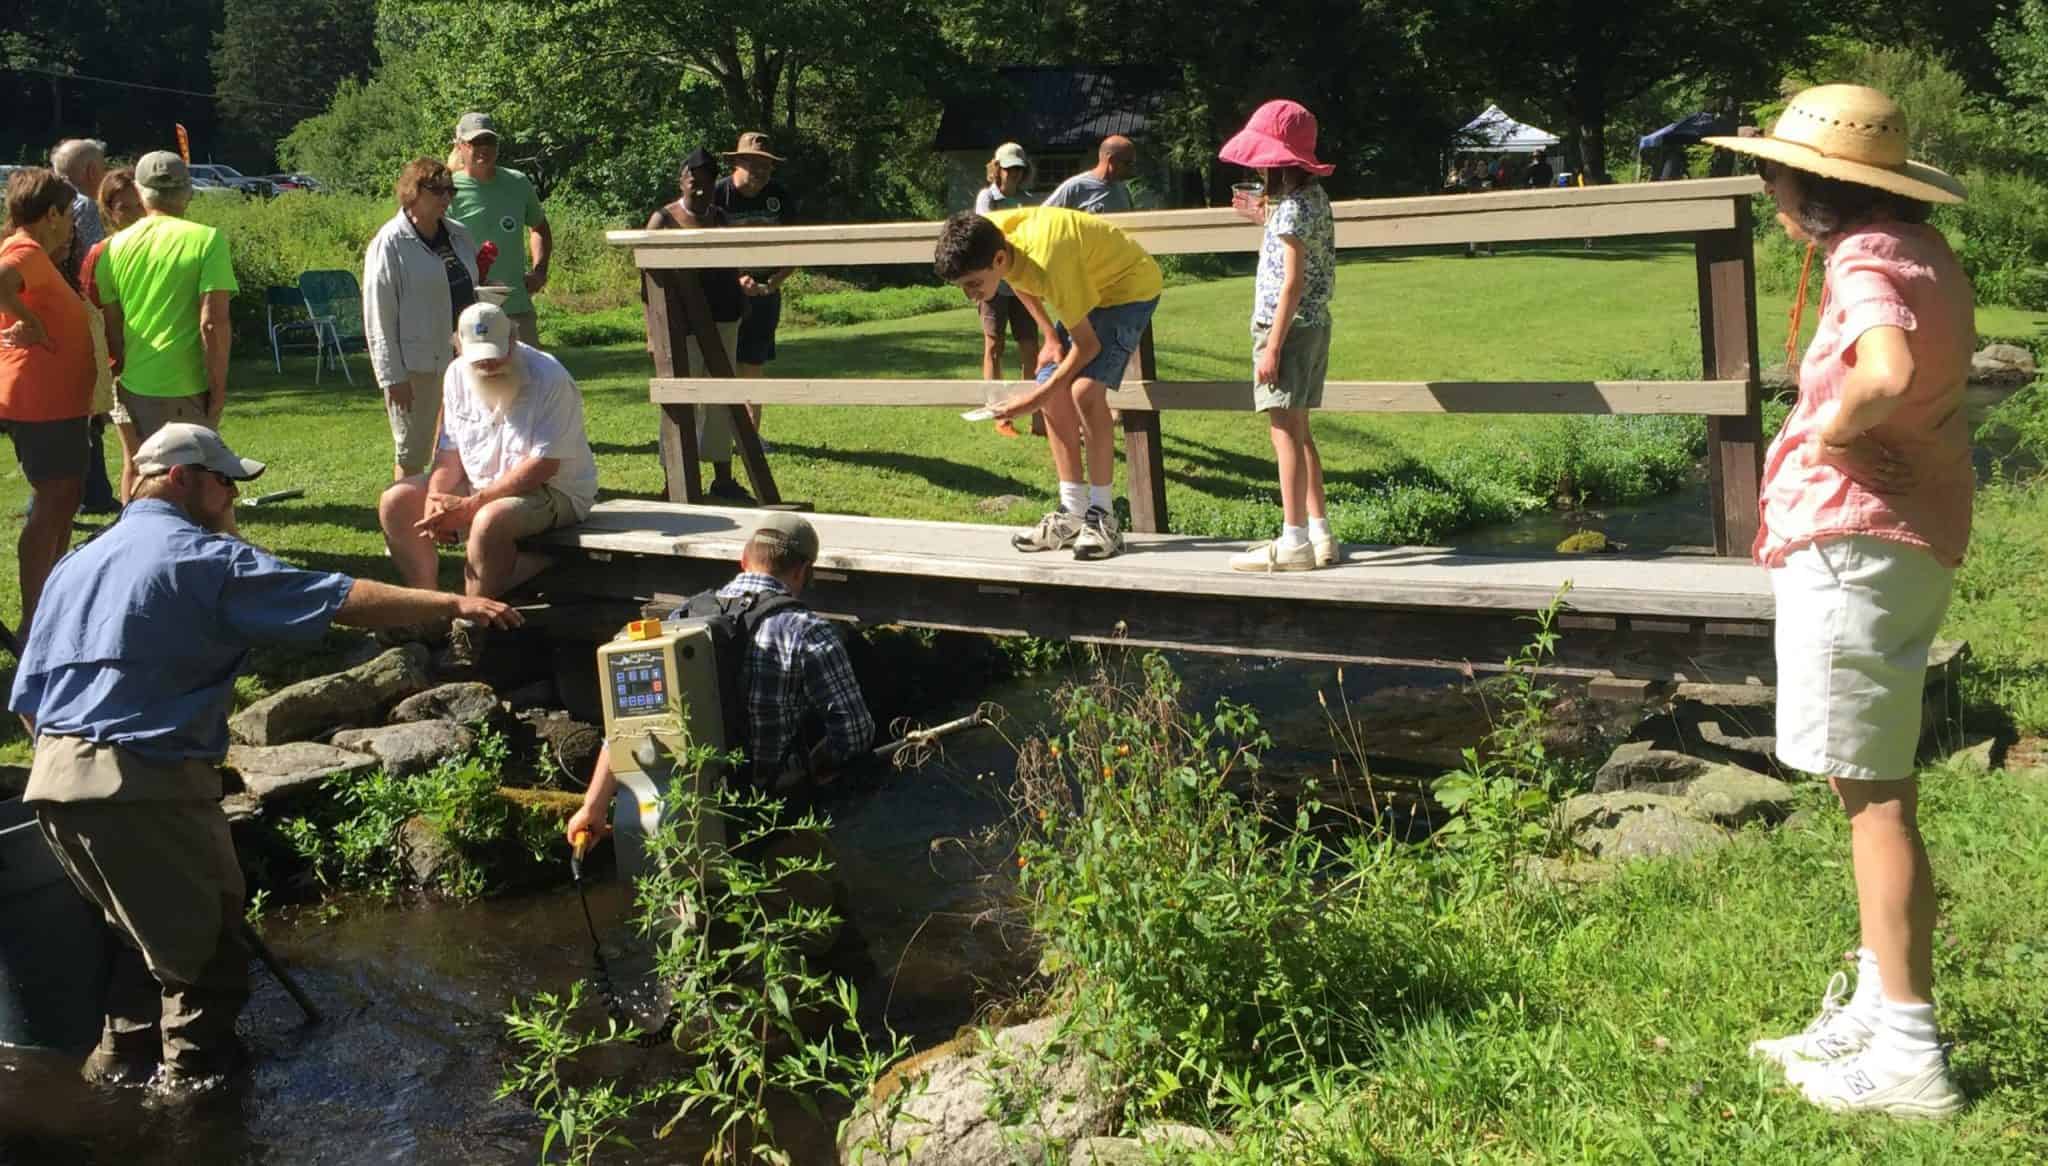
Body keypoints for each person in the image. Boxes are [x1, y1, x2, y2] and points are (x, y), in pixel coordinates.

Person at [9, 423, 522, 1095]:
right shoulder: (201, 557)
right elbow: (340, 599)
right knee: (206, 972)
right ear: (180, 478)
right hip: (142, 787)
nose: (231, 498)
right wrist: (455, 599)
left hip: (56, 788)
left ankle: (113, 1099)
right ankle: (197, 1119)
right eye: (225, 482)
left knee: (139, 952)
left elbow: (28, 698)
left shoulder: (75, 565)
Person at [1705, 84, 1974, 1119]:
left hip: (1852, 545)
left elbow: (1885, 367)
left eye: (1773, 173)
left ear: (1806, 185)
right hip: (1905, 542)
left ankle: (1907, 1049)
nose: (1768, 190)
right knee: (1869, 788)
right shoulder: (1924, 254)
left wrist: (1826, 434)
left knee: (1872, 796)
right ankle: (1874, 1003)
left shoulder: (1861, 259)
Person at [563, 511, 875, 845]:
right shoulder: (807, 631)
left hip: (685, 811)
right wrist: (820, 762)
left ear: (743, 560)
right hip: (772, 815)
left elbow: (629, 724)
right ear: (803, 572)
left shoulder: (680, 620)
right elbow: (855, 732)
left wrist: (593, 808)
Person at [934, 206, 1162, 561]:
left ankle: (1103, 519)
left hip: (1128, 288)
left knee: (1084, 391)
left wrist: (1029, 402)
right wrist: (1049, 338)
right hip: (1086, 289)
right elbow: (1019, 281)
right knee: (1052, 389)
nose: (972, 296)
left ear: (996, 258)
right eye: (964, 288)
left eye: (973, 284)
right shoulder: (996, 238)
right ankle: (1071, 511)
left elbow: (1088, 346)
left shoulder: (1048, 258)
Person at [378, 302, 597, 604]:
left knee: (488, 519)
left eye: (496, 356)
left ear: (513, 339)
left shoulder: (550, 376)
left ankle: (470, 625)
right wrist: (435, 499)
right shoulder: (455, 374)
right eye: (479, 361)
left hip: (554, 490)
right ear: (459, 346)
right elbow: (448, 453)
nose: (490, 366)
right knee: (396, 501)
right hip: (479, 483)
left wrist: (471, 506)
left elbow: (543, 465)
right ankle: (426, 606)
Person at [1219, 101, 1338, 573]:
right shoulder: (1313, 200)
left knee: (1282, 431)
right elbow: (1298, 246)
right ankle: (1318, 531)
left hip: (1283, 329)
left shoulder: (1289, 210)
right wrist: (1263, 219)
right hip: (1314, 326)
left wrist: (1271, 345)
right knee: (1301, 429)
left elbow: (1291, 282)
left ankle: (1292, 543)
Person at [0, 169, 94, 639]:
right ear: (52, 213)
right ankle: (34, 621)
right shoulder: (26, 249)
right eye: (70, 213)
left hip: (58, 402)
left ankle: (50, 609)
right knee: (52, 503)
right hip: (43, 402)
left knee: (63, 500)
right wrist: (30, 324)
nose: (72, 224)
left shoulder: (33, 252)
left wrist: (26, 321)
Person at [96, 152, 237, 443]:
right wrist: (218, 391)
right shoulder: (208, 239)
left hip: (134, 385)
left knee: (143, 476)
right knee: (190, 482)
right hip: (186, 387)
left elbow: (112, 328)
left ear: (139, 191)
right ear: (187, 192)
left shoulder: (111, 249)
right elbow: (212, 324)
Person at [364, 158, 480, 480]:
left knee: (463, 446)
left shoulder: (459, 235)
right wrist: (391, 377)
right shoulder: (389, 244)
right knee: (412, 453)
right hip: (416, 367)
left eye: (450, 191)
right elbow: (378, 317)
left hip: (465, 359)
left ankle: (450, 518)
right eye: (437, 190)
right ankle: (403, 524)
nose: (446, 198)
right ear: (412, 191)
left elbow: (469, 287)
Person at [647, 146, 751, 501]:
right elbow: (647, 286)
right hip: (680, 325)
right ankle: (673, 481)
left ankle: (723, 477)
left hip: (724, 317)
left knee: (724, 396)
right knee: (678, 402)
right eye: (694, 182)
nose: (701, 189)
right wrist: (652, 333)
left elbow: (734, 264)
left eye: (708, 182)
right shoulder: (663, 219)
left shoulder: (722, 218)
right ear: (682, 181)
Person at [712, 132, 799, 438]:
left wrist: (776, 280)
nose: (761, 173)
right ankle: (719, 434)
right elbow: (707, 249)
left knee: (753, 363)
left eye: (767, 166)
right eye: (754, 164)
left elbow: (796, 244)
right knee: (720, 364)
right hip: (722, 292)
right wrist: (735, 277)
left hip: (766, 292)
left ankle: (750, 437)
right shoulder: (717, 194)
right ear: (737, 162)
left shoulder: (780, 195)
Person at [448, 113, 552, 347]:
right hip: (467, 310)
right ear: (460, 146)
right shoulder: (448, 189)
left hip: (515, 307)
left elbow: (539, 227)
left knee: (529, 378)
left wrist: (540, 271)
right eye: (475, 142)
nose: (483, 148)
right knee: (475, 379)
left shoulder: (518, 183)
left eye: (489, 141)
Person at [77, 168, 145, 502]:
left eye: (140, 205)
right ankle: (132, 524)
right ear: (108, 210)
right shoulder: (102, 254)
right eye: (125, 207)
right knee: (135, 456)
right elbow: (95, 315)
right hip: (123, 368)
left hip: (164, 364)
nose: (135, 215)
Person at [973, 142, 1043, 439]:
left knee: (1031, 349)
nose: (1013, 173)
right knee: (994, 346)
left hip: (1024, 284)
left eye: (1018, 168)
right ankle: (1000, 416)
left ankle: (1036, 416)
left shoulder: (1028, 202)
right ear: (996, 169)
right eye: (1008, 168)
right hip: (995, 287)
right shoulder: (986, 198)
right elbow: (989, 234)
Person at [49, 138, 107, 288]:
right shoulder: (86, 205)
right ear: (92, 171)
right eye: (103, 168)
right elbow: (93, 260)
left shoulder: (46, 198)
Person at [1042, 135, 1137, 214]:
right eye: (1128, 163)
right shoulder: (1075, 187)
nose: (1131, 169)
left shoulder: (1123, 189)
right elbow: (1043, 217)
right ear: (1111, 161)